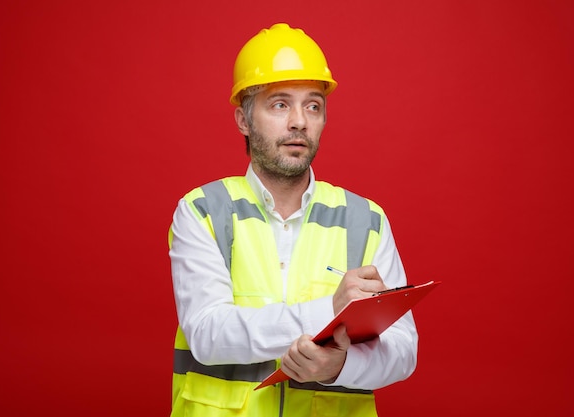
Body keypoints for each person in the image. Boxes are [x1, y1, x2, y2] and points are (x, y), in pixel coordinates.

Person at [168, 23, 418, 417]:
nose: (299, 121)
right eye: (280, 104)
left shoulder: (367, 221)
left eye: (313, 105)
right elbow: (208, 333)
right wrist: (330, 310)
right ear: (244, 121)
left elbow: (403, 350)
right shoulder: (203, 211)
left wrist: (342, 367)